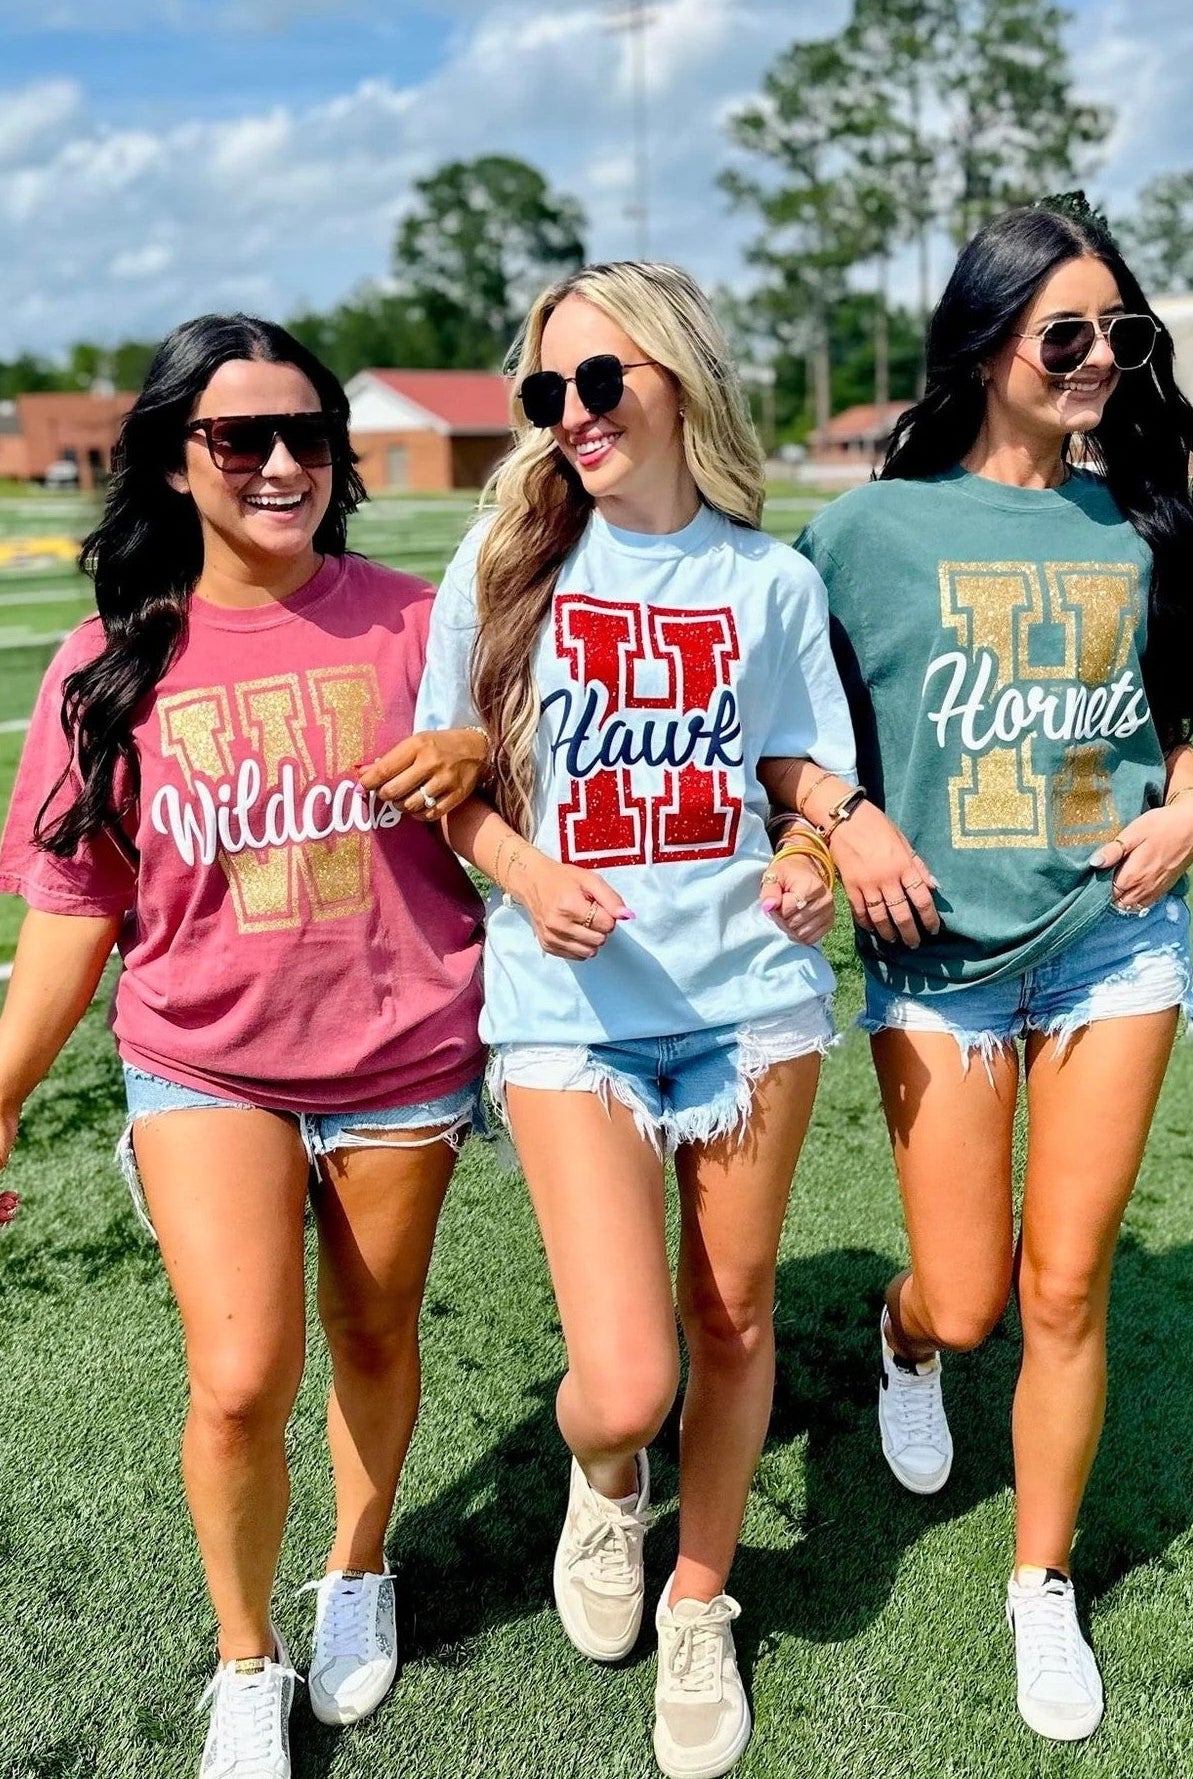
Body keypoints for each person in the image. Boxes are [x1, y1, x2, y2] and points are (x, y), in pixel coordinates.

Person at [0, 314, 491, 1779]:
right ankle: (242, 1655)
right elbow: (75, 919)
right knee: (236, 1376)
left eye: (308, 437)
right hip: (203, 1059)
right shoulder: (103, 665)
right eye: (240, 438)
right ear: (172, 456)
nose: (282, 464)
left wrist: (483, 751)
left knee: (372, 1333)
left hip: (404, 1053)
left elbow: (529, 804)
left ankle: (355, 1564)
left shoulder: (421, 625)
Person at [397, 258, 856, 1779]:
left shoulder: (770, 582)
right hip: (567, 1010)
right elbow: (443, 791)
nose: (572, 415)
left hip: (751, 1007)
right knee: (630, 1374)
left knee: (729, 1323)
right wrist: (526, 872)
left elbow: (794, 775)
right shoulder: (508, 565)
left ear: (676, 378)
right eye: (548, 393)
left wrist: (803, 862)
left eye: (600, 382)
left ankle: (701, 1599)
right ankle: (607, 1477)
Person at [789, 196, 1193, 1741]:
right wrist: (846, 817)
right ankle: (904, 1345)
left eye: (1121, 336)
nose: (1101, 359)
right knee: (965, 1302)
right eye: (1067, 334)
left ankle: (1041, 1581)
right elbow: (778, 737)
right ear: (985, 342)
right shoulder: (863, 533)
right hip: (937, 968)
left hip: (1114, 946)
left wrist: (1181, 819)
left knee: (1066, 1283)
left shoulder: (1146, 523)